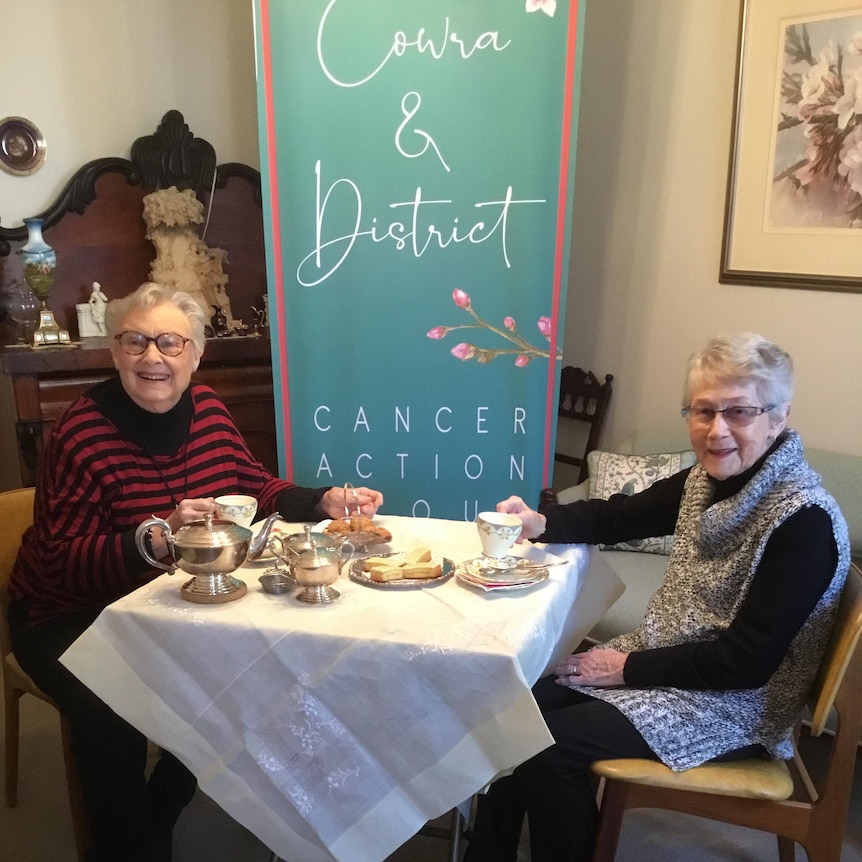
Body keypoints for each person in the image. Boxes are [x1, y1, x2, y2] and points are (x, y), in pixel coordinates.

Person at [7, 282, 384, 862]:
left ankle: (153, 819)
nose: (152, 358)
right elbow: (62, 562)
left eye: (169, 343)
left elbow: (256, 487)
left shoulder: (207, 408)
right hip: (66, 613)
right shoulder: (81, 434)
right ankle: (124, 847)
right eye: (135, 342)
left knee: (241, 681)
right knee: (113, 710)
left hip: (168, 604)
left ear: (195, 355)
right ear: (114, 352)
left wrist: (322, 500)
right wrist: (153, 539)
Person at [463, 332, 850, 862]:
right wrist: (540, 522)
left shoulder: (804, 522)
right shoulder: (706, 480)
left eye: (739, 412)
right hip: (674, 670)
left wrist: (625, 667)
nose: (717, 431)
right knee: (509, 711)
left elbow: (746, 664)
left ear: (778, 417)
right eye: (703, 410)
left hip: (734, 707)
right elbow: (621, 516)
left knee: (544, 748)